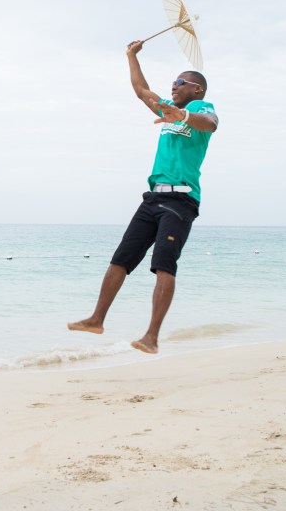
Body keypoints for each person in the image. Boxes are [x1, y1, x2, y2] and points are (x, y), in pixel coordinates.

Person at [68, 40, 219, 354]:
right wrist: (131, 56)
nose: (173, 86)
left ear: (197, 89)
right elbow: (141, 90)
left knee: (164, 264)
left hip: (181, 200)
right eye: (173, 83)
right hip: (152, 198)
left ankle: (151, 336)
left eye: (180, 83)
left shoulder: (201, 108)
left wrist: (183, 117)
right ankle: (96, 319)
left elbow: (212, 125)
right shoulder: (168, 109)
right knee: (120, 260)